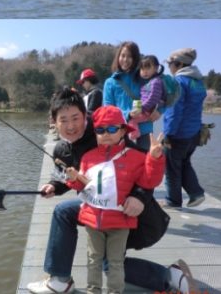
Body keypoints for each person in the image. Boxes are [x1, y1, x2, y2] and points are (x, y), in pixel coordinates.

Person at [26, 88, 195, 294]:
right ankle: (60, 279)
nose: (70, 126)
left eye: (75, 118)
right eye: (63, 120)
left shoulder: (104, 131)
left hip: (130, 211)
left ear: (85, 114)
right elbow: (67, 177)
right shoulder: (61, 150)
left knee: (109, 264)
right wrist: (54, 185)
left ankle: (171, 276)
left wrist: (139, 196)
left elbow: (142, 165)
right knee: (64, 213)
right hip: (97, 210)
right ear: (54, 121)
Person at [63, 106, 165, 294]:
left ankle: (115, 291)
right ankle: (93, 290)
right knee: (93, 258)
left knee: (115, 262)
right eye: (100, 130)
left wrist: (154, 158)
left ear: (123, 130)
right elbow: (83, 186)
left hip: (120, 222)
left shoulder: (136, 157)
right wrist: (72, 179)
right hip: (93, 220)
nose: (106, 134)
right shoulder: (88, 157)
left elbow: (150, 181)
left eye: (112, 129)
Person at [163, 48, 206, 208]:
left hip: (178, 134)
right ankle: (196, 193)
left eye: (171, 64)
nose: (169, 67)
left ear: (179, 64)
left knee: (171, 168)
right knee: (184, 163)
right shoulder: (198, 82)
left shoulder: (178, 82)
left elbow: (174, 110)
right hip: (193, 133)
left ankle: (173, 201)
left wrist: (168, 134)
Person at [104, 41, 151, 151]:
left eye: (130, 56)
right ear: (118, 57)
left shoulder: (143, 78)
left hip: (144, 130)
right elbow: (108, 109)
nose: (125, 60)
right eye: (123, 55)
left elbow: (158, 96)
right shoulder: (110, 82)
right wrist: (128, 114)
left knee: (144, 164)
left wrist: (159, 111)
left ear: (135, 58)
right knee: (123, 165)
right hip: (120, 131)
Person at [128, 55, 166, 140]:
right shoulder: (148, 82)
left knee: (131, 119)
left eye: (148, 68)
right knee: (133, 107)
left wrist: (141, 108)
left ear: (156, 68)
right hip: (145, 108)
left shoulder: (156, 82)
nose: (144, 72)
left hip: (148, 111)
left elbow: (153, 98)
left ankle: (134, 133)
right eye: (142, 69)